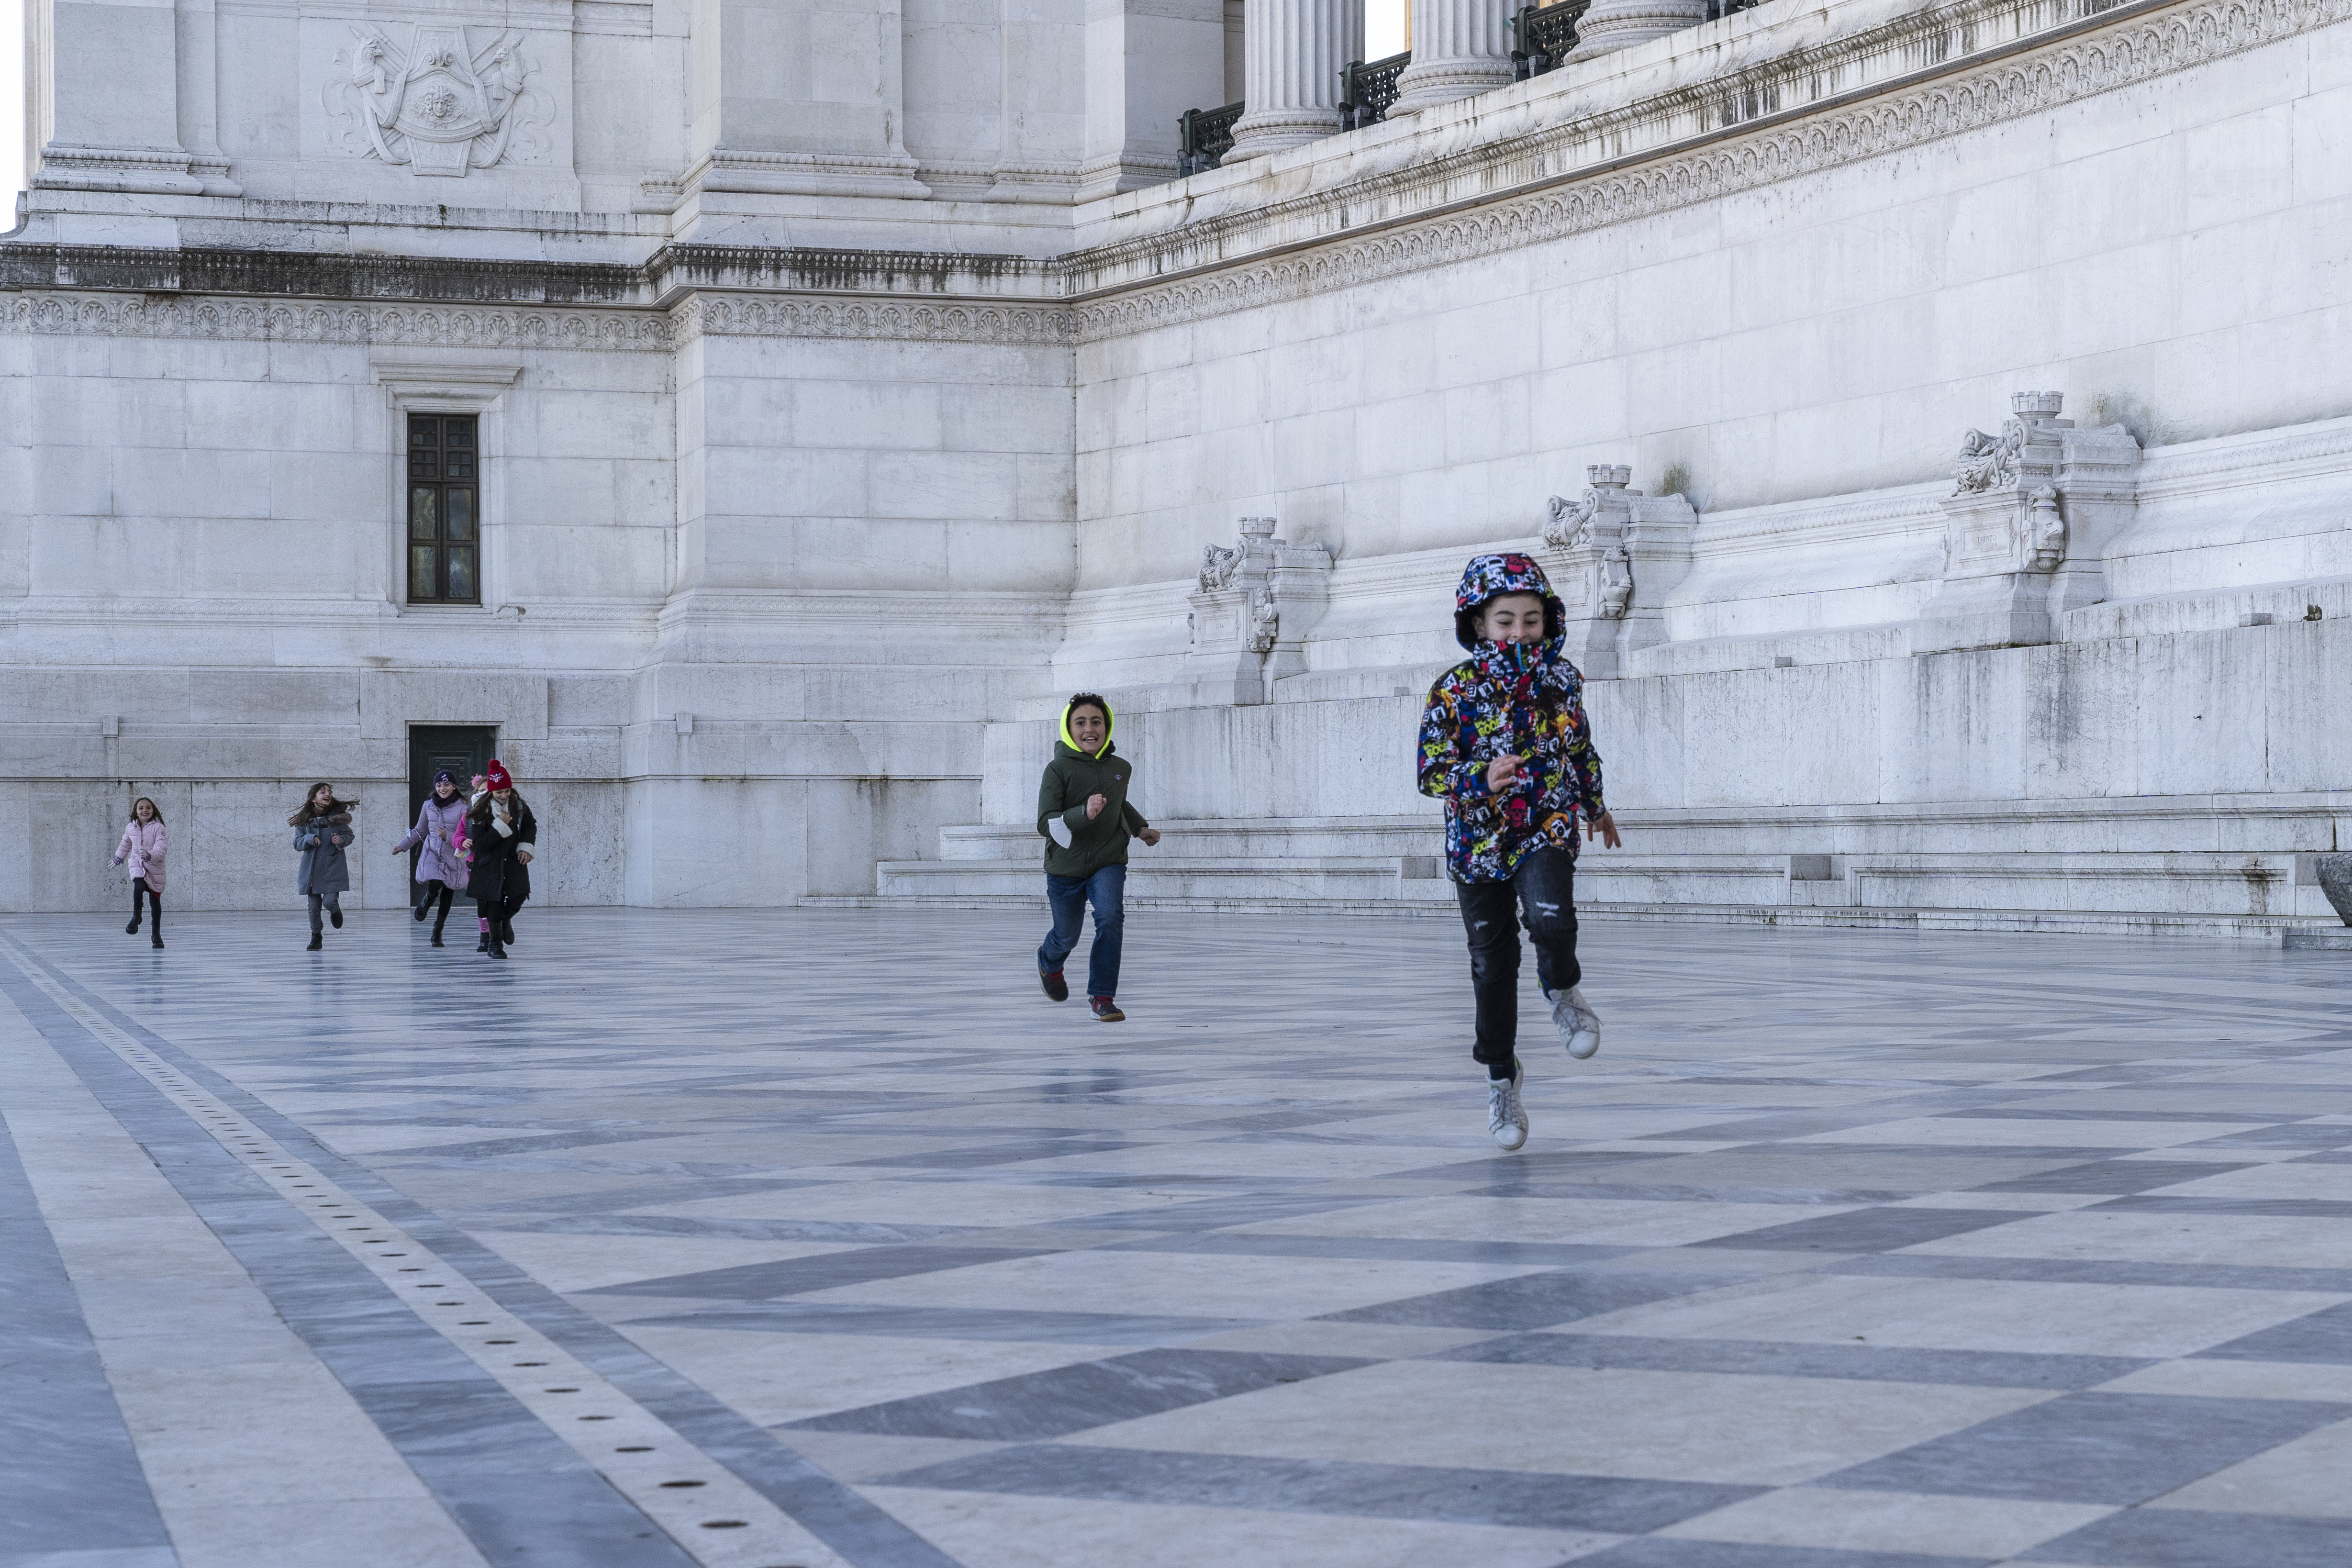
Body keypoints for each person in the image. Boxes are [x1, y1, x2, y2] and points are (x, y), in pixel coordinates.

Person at [1417, 553, 1621, 1151]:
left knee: (1551, 918)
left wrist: (1594, 805)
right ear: (1479, 623)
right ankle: (1502, 1075)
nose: (1519, 632)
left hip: (1545, 822)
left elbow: (1579, 746)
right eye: (1505, 620)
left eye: (1531, 619)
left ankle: (1561, 990)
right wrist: (1478, 778)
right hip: (1477, 840)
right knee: (1491, 965)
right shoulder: (1453, 689)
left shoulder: (1562, 680)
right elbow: (1430, 772)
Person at [1035, 692, 1159, 1021]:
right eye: (1080, 722)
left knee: (1110, 917)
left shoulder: (1120, 768)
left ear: (1107, 726)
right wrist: (1082, 814)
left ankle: (1102, 997)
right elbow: (1045, 821)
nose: (1089, 729)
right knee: (1067, 935)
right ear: (1068, 728)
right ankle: (1049, 962)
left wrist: (1140, 828)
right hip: (1065, 866)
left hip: (1108, 859)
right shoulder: (1057, 769)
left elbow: (1119, 803)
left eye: (1096, 722)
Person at [465, 759, 535, 961]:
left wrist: (526, 847)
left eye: (507, 791)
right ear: (491, 793)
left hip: (514, 861)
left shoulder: (519, 805)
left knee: (519, 896)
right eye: (499, 793)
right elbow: (480, 844)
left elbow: (530, 826)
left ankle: (505, 921)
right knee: (494, 905)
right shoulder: (481, 810)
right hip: (490, 865)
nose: (504, 796)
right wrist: (499, 826)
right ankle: (495, 945)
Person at [391, 770, 469, 947]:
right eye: (439, 785)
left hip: (455, 855)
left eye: (447, 785)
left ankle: (437, 931)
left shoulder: (464, 808)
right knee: (435, 880)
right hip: (433, 851)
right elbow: (420, 830)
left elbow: (465, 834)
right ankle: (428, 899)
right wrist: (403, 846)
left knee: (448, 894)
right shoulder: (428, 806)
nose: (443, 788)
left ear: (454, 787)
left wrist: (446, 836)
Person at [290, 783, 356, 951]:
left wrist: (341, 840)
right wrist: (309, 838)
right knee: (313, 908)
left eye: (329, 792)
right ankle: (316, 936)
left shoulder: (337, 819)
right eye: (322, 792)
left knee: (329, 902)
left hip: (332, 867)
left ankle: (335, 911)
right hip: (311, 870)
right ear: (313, 799)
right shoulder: (304, 821)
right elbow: (297, 844)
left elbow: (349, 835)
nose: (327, 794)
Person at [112, 796, 167, 949]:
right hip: (137, 862)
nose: (145, 810)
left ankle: (156, 935)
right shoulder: (131, 827)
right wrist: (119, 857)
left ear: (153, 810)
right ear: (136, 812)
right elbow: (126, 843)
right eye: (141, 808)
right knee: (139, 883)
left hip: (154, 865)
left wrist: (150, 855)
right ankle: (136, 917)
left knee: (155, 901)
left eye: (148, 808)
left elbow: (161, 849)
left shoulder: (159, 828)